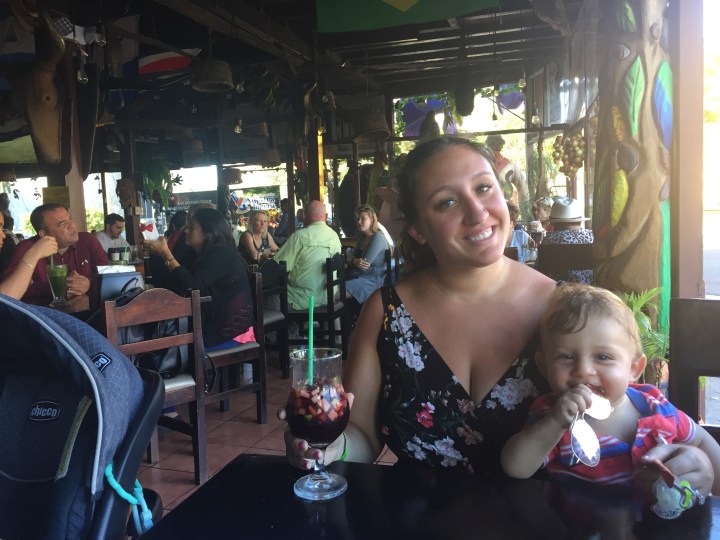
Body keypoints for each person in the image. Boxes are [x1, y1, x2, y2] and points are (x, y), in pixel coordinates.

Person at [281, 137, 716, 497]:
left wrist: (692, 456)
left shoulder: (563, 310)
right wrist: (329, 446)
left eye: (484, 188)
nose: (477, 212)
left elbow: (631, 413)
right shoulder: (386, 312)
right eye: (447, 202)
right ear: (416, 229)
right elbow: (363, 437)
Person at [501, 283, 720, 495]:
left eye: (603, 357)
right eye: (566, 357)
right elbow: (516, 468)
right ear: (544, 366)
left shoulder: (653, 405)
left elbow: (699, 438)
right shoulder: (551, 415)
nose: (584, 370)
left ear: (634, 368)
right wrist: (555, 423)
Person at [143, 207, 254, 348]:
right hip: (205, 322)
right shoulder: (194, 252)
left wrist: (166, 254)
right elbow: (169, 280)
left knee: (160, 344)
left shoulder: (222, 252)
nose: (186, 230)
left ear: (208, 233)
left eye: (192, 227)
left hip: (228, 330)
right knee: (151, 336)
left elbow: (191, 285)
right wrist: (156, 254)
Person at [3, 203, 108, 303]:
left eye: (70, 219)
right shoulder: (28, 248)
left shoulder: (87, 240)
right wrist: (59, 286)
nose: (71, 225)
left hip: (86, 310)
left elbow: (108, 275)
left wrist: (89, 283)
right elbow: (9, 291)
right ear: (43, 234)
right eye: (62, 224)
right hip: (42, 314)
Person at [274, 200, 341, 310]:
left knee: (265, 298)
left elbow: (276, 268)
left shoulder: (299, 237)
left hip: (301, 301)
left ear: (304, 215)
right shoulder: (334, 236)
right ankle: (306, 323)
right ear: (326, 216)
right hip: (327, 298)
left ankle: (292, 326)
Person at [0, 211, 58, 299]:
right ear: (43, 233)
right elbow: (5, 302)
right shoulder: (26, 246)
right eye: (62, 224)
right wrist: (34, 253)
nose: (3, 235)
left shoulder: (84, 241)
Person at [343, 204, 391, 303]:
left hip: (372, 281)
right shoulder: (362, 237)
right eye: (357, 219)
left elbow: (363, 264)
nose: (359, 222)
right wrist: (353, 259)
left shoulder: (378, 237)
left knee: (333, 292)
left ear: (372, 220)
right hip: (359, 276)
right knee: (330, 288)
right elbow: (353, 258)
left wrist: (352, 258)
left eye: (363, 218)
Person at [543, 196, 594, 284]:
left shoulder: (549, 240)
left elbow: (541, 270)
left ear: (552, 223)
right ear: (580, 221)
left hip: (560, 293)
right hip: (591, 292)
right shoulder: (592, 236)